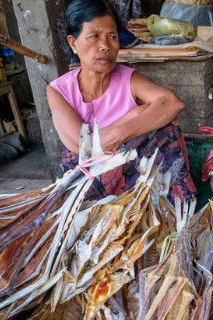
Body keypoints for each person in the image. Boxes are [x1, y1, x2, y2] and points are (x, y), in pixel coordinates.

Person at [47, 0, 196, 203]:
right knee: (152, 124)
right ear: (73, 43)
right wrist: (134, 115)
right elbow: (82, 147)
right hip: (90, 182)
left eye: (112, 37)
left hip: (132, 173)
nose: (105, 46)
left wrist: (119, 134)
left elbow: (172, 103)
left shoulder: (128, 78)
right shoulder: (58, 90)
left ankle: (171, 207)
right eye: (94, 37)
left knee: (166, 130)